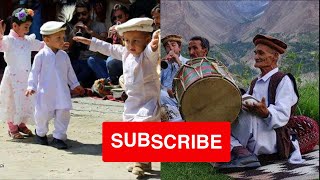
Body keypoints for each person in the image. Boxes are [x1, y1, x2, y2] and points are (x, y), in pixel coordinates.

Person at [73, 17, 160, 176]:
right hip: (132, 101)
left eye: (135, 41)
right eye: (127, 40)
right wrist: (90, 42)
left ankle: (140, 161)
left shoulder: (146, 55)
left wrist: (154, 44)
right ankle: (145, 161)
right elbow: (109, 48)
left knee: (142, 128)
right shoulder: (126, 52)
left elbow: (151, 51)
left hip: (148, 101)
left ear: (146, 40)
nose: (130, 45)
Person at [215, 34, 302, 169]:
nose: (256, 57)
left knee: (241, 111)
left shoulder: (283, 80)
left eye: (261, 53)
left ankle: (239, 152)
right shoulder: (255, 82)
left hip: (272, 137)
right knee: (220, 114)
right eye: (255, 53)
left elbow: (283, 115)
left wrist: (266, 113)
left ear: (275, 56)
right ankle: (241, 152)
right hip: (253, 132)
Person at [26, 21, 84, 149]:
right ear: (46, 40)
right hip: (45, 93)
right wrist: (31, 86)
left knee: (63, 113)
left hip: (62, 92)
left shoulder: (64, 56)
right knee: (42, 115)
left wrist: (75, 84)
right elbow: (34, 72)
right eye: (58, 38)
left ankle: (59, 137)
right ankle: (40, 133)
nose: (62, 40)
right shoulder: (40, 56)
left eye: (63, 37)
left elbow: (70, 72)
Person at [0, 8, 44, 139]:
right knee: (12, 102)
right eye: (26, 26)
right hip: (12, 78)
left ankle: (21, 124)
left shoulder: (27, 41)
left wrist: (53, 42)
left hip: (26, 78)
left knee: (26, 101)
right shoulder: (8, 40)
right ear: (14, 26)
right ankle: (12, 128)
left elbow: (41, 45)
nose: (28, 29)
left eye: (29, 26)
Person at [67, 1, 107, 87]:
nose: (81, 17)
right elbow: (68, 48)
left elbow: (106, 43)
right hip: (79, 61)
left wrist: (90, 32)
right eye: (78, 14)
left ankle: (72, 86)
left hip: (94, 60)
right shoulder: (76, 27)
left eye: (84, 13)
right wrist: (73, 32)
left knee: (88, 65)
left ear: (90, 12)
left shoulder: (100, 25)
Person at [160, 34, 188, 122]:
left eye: (173, 45)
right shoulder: (164, 62)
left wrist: (178, 61)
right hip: (164, 95)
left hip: (180, 99)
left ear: (179, 48)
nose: (171, 49)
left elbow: (188, 78)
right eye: (167, 46)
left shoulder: (187, 62)